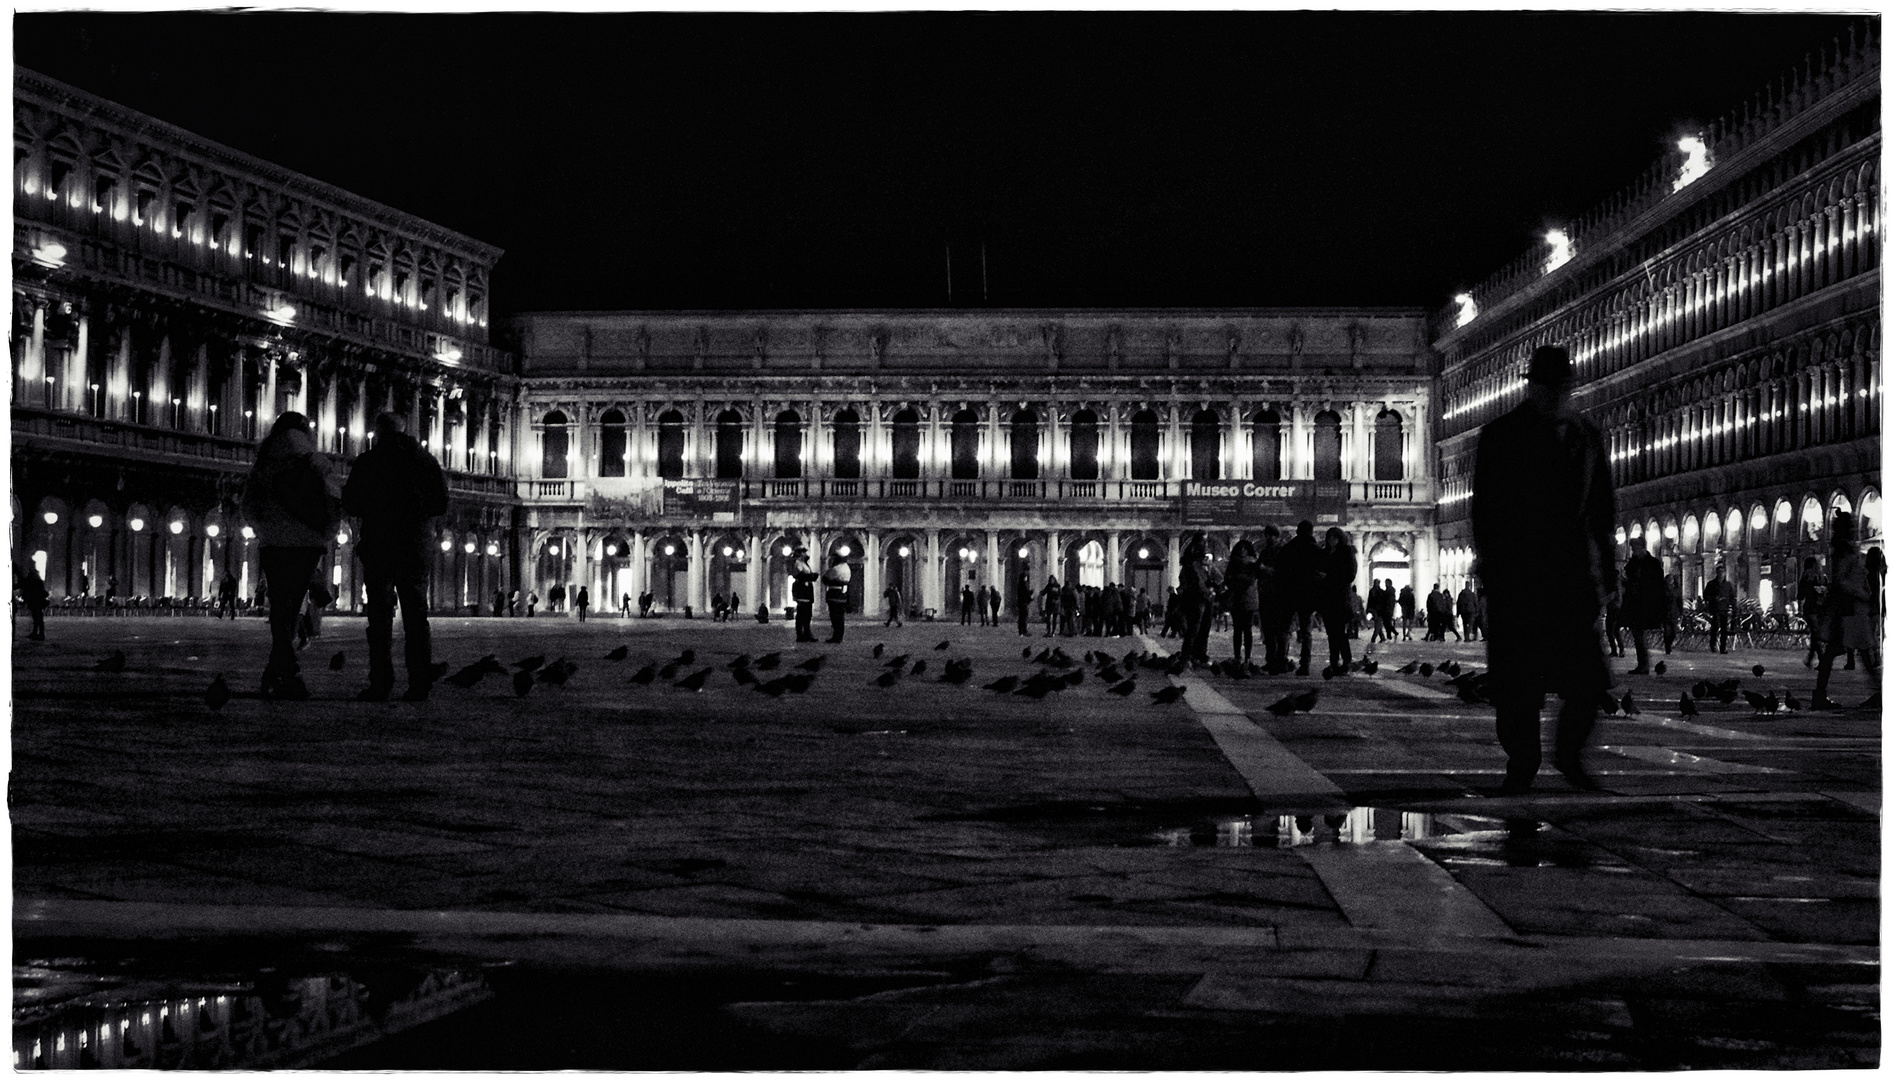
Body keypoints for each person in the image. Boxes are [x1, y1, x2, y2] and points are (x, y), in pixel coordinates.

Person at [1472, 345, 1616, 794]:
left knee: (1589, 678)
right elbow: (1486, 510)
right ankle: (1523, 762)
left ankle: (1569, 754)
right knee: (1519, 683)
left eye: (1562, 385)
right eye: (1547, 385)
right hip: (1520, 575)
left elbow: (1602, 510)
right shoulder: (1502, 434)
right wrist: (1494, 571)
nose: (1555, 393)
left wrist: (1608, 573)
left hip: (1570, 576)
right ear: (1531, 386)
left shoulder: (1587, 436)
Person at [342, 411, 449, 702]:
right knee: (416, 617)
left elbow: (350, 502)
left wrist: (376, 508)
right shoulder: (424, 461)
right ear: (404, 431)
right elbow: (441, 502)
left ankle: (380, 683)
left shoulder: (369, 461)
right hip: (414, 545)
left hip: (379, 544)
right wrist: (417, 515)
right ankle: (419, 683)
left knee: (378, 618)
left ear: (377, 433)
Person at [241, 411, 341, 702]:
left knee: (279, 609)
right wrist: (324, 534)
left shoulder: (264, 462)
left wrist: (263, 529)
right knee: (291, 607)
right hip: (306, 543)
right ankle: (288, 671)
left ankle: (278, 670)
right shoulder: (315, 460)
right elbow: (333, 502)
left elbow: (249, 506)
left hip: (273, 543)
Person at [1812, 511, 1881, 710]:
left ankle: (1820, 693)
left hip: (1847, 610)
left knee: (1837, 653)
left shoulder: (1842, 549)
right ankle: (1878, 693)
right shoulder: (1844, 550)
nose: (1854, 529)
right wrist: (1862, 594)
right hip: (1850, 610)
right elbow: (1842, 581)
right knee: (1863, 653)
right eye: (1851, 526)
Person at [1277, 521, 1323, 675]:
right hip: (1307, 595)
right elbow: (1321, 571)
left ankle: (1281, 662)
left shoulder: (1288, 548)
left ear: (1297, 531)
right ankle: (1305, 665)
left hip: (1289, 593)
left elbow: (1280, 572)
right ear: (1311, 532)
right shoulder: (1315, 550)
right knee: (1306, 631)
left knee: (1284, 629)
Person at [1620, 537, 1667, 674]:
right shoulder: (1633, 563)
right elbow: (1629, 578)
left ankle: (1644, 665)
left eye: (1634, 548)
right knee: (1637, 633)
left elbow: (1657, 585)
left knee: (1639, 633)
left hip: (1645, 603)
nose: (1633, 550)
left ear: (1641, 547)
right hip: (1634, 603)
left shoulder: (1652, 564)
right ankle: (1643, 664)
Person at [1318, 528, 1357, 673]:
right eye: (1329, 537)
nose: (1331, 540)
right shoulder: (1324, 553)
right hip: (1327, 597)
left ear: (1340, 538)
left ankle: (1346, 660)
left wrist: (1328, 576)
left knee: (1340, 631)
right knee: (1331, 632)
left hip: (1340, 597)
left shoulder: (1346, 552)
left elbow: (1350, 575)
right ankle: (1334, 661)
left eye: (1335, 537)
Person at [1224, 540, 1261, 666]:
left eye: (1244, 548)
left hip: (1248, 598)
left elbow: (1251, 579)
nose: (1242, 551)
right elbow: (1227, 579)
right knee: (1237, 629)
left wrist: (1237, 578)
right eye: (1240, 548)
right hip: (1236, 598)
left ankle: (1247, 657)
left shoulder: (1252, 563)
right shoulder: (1233, 563)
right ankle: (1237, 656)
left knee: (1247, 629)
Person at [1798, 556, 1828, 669]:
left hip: (1810, 607)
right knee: (1816, 634)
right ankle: (1813, 658)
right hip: (1822, 609)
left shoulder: (1806, 576)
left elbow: (1800, 595)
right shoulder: (1823, 576)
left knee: (1815, 634)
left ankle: (1821, 659)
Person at [1702, 565, 1737, 654]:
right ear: (1716, 573)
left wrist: (1734, 608)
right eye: (1719, 572)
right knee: (1716, 626)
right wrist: (1714, 598)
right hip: (1715, 608)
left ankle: (1723, 647)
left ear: (1724, 573)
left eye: (1722, 572)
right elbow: (1705, 595)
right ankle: (1713, 644)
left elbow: (1732, 597)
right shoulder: (1711, 584)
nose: (1721, 574)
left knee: (1724, 629)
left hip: (1724, 609)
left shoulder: (1728, 585)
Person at [821, 552, 852, 643]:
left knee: (835, 617)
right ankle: (839, 636)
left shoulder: (836, 569)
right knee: (840, 617)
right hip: (842, 594)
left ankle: (836, 636)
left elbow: (825, 578)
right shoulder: (847, 568)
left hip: (834, 594)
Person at [790, 546, 818, 642]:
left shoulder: (805, 563)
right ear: (799, 553)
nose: (805, 554)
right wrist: (811, 576)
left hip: (807, 590)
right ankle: (800, 634)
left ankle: (807, 633)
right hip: (801, 590)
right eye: (803, 552)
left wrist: (812, 576)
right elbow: (800, 575)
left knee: (808, 614)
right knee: (801, 614)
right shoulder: (797, 563)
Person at [20, 565, 49, 640]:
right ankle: (37, 632)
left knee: (37, 618)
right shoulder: (38, 582)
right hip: (38, 602)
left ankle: (39, 633)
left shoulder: (33, 582)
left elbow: (26, 590)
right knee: (38, 618)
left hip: (35, 602)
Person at [1016, 571, 1032, 635]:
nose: (1026, 578)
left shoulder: (1019, 584)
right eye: (1026, 577)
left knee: (1021, 617)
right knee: (1024, 617)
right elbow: (1026, 593)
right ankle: (1024, 630)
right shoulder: (1024, 584)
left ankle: (1021, 631)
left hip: (1021, 603)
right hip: (1024, 603)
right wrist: (1030, 595)